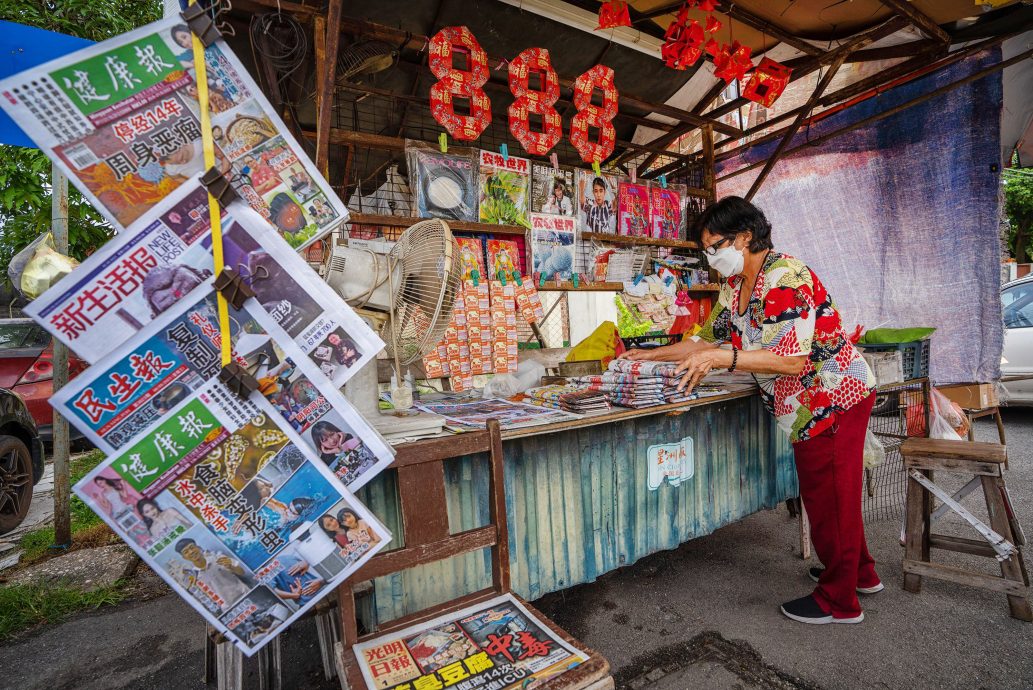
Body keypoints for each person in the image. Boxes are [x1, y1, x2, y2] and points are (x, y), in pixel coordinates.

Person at [621, 196, 880, 625]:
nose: (710, 257)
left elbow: (791, 359)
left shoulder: (784, 277)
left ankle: (840, 601)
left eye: (714, 246)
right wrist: (649, 357)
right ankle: (860, 573)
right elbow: (704, 340)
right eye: (705, 250)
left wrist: (725, 359)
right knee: (836, 496)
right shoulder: (735, 285)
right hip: (805, 403)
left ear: (744, 237)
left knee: (831, 496)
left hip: (831, 397)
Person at [173, 538, 252, 611]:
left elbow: (242, 572)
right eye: (186, 552)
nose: (191, 552)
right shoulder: (194, 577)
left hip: (245, 595)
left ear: (198, 547)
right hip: (229, 608)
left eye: (192, 547)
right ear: (184, 557)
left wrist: (231, 566)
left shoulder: (217, 557)